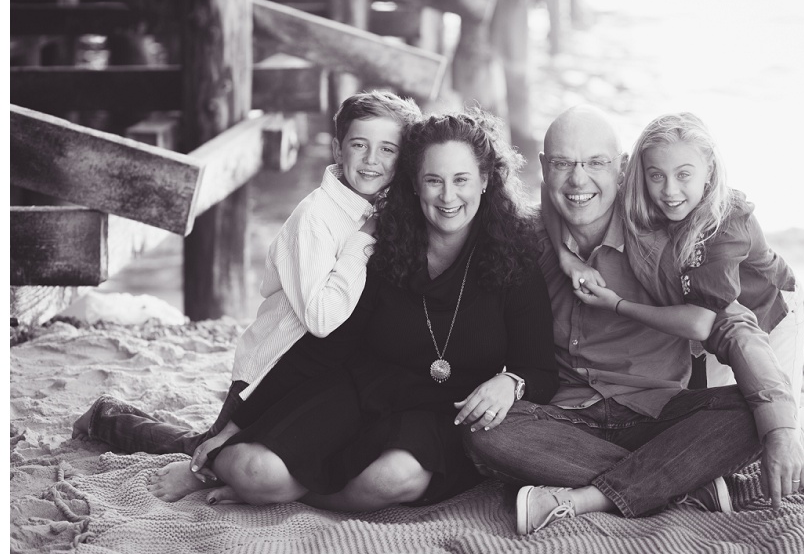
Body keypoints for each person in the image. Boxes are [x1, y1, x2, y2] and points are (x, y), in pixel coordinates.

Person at [87, 108, 560, 512]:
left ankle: (281, 491)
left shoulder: (512, 259)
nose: (448, 196)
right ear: (414, 185)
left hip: (442, 417)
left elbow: (539, 368)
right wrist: (235, 422)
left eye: (461, 180)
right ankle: (204, 453)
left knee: (393, 480)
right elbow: (326, 347)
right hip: (357, 392)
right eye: (433, 180)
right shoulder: (384, 247)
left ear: (485, 180)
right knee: (254, 469)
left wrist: (511, 381)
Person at [464, 105, 804, 535]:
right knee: (483, 431)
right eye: (562, 164)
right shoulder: (530, 240)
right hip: (570, 422)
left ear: (620, 169)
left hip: (656, 416)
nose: (578, 180)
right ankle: (685, 483)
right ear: (544, 168)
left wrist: (780, 429)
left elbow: (733, 327)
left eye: (596, 163)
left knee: (759, 413)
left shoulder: (664, 248)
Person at [73, 89, 421, 463]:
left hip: (317, 373)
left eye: (388, 149)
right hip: (267, 375)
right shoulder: (317, 219)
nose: (372, 160)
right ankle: (105, 419)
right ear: (338, 149)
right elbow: (322, 318)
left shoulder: (377, 211)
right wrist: (362, 242)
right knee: (208, 450)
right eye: (359, 145)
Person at [561, 112, 804, 402]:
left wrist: (617, 305)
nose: (669, 190)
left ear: (710, 170)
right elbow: (552, 191)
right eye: (656, 176)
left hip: (768, 309)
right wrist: (569, 258)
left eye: (684, 174)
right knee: (716, 427)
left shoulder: (727, 220)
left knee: (782, 421)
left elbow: (698, 323)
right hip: (706, 320)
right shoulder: (638, 197)